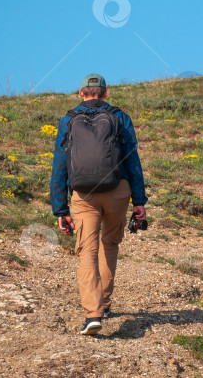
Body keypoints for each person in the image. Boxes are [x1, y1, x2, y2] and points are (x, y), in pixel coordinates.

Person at [50, 73, 147, 335]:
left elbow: (60, 164)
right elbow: (132, 160)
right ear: (105, 93)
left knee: (87, 251)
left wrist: (60, 208)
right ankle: (104, 304)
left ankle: (93, 314)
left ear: (80, 93)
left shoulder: (68, 119)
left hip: (83, 195)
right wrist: (139, 200)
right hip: (118, 191)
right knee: (110, 243)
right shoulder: (120, 117)